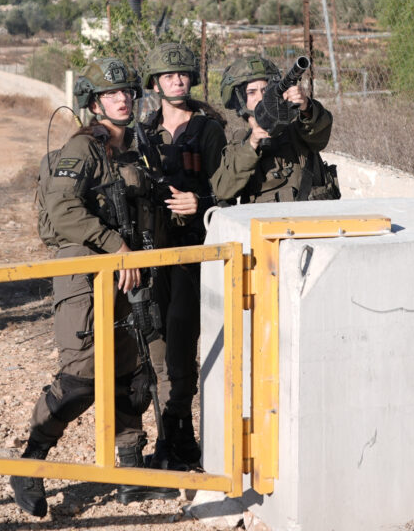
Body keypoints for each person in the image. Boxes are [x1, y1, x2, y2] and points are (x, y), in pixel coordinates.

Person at [10, 57, 176, 518]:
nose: (122, 99)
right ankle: (30, 463)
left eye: (126, 92)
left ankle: (129, 470)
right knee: (81, 378)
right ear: (94, 102)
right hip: (85, 275)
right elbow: (63, 210)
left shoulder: (136, 149)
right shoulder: (83, 149)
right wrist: (115, 245)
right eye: (110, 94)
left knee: (134, 375)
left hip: (132, 276)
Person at [136, 42, 226, 469]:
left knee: (179, 339)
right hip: (152, 251)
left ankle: (174, 434)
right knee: (156, 342)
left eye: (183, 74)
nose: (176, 79)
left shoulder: (208, 130)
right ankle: (177, 437)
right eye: (168, 74)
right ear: (155, 82)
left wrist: (200, 200)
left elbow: (229, 189)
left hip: (193, 250)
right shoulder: (143, 131)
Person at [212, 54, 335, 204]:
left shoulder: (298, 128)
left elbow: (319, 133)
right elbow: (224, 190)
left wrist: (306, 106)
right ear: (239, 100)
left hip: (313, 221)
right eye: (251, 92)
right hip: (266, 225)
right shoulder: (239, 145)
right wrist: (252, 146)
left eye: (266, 90)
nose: (260, 97)